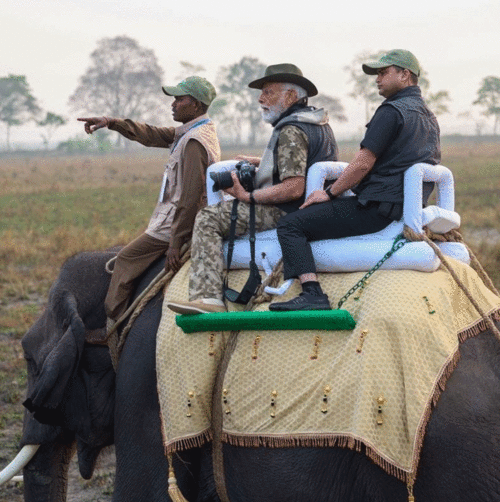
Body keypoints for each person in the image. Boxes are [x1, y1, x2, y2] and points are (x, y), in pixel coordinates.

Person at [269, 49, 441, 312]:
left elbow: (362, 164)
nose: (377, 79)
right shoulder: (428, 115)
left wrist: (330, 193)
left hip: (377, 208)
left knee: (291, 224)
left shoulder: (391, 111)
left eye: (384, 73)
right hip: (404, 206)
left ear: (405, 75)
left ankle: (312, 293)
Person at [167, 63, 338, 315]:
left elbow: (293, 187)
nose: (260, 99)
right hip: (310, 207)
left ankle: (208, 299)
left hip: (287, 209)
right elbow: (301, 165)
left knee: (208, 217)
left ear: (291, 96)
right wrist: (266, 163)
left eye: (268, 92)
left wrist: (249, 196)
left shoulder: (291, 129)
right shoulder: (318, 122)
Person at [78, 76, 221, 322]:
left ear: (196, 105)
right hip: (173, 219)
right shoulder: (191, 132)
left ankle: (116, 326)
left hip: (176, 224)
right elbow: (150, 134)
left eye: (180, 99)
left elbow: (190, 198)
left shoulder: (195, 141)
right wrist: (111, 122)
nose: (173, 104)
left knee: (125, 258)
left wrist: (176, 242)